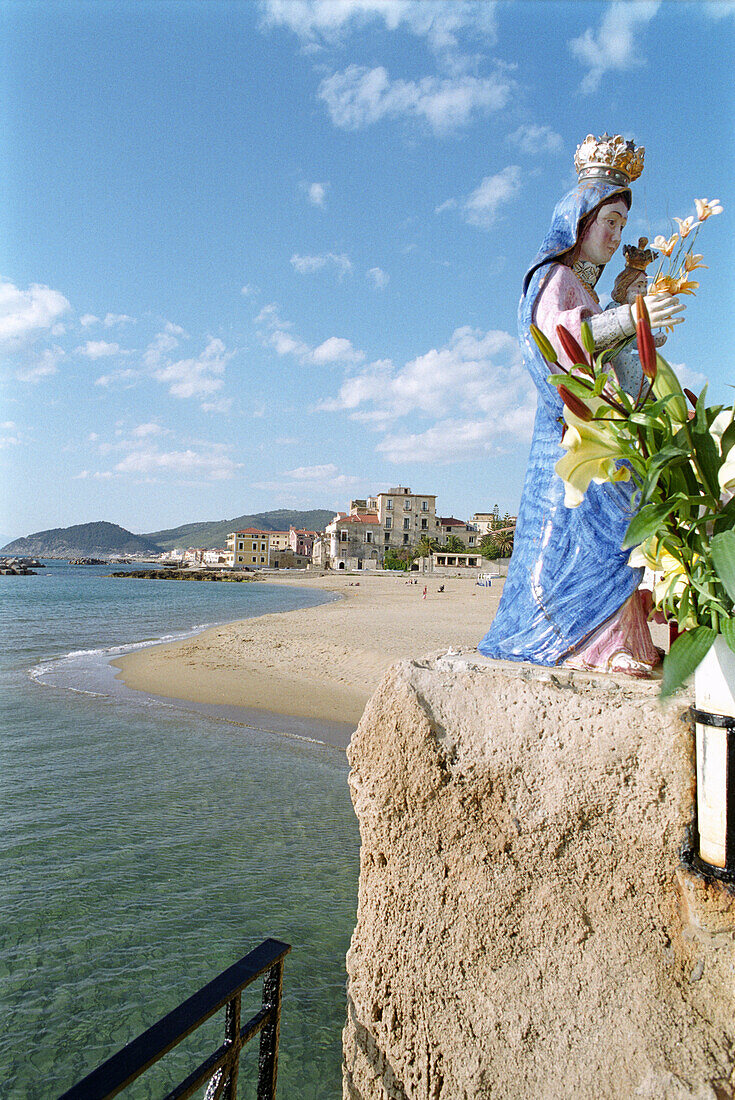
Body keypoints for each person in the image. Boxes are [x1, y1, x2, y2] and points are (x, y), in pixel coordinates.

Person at [478, 134, 684, 675]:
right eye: (608, 222)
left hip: (602, 432)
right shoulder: (554, 278)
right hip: (570, 437)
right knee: (583, 539)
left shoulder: (585, 287)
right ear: (578, 221)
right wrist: (631, 316)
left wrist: (629, 305)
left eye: (620, 224)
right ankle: (585, 645)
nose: (615, 235)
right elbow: (568, 337)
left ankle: (625, 643)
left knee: (615, 538)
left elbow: (607, 345)